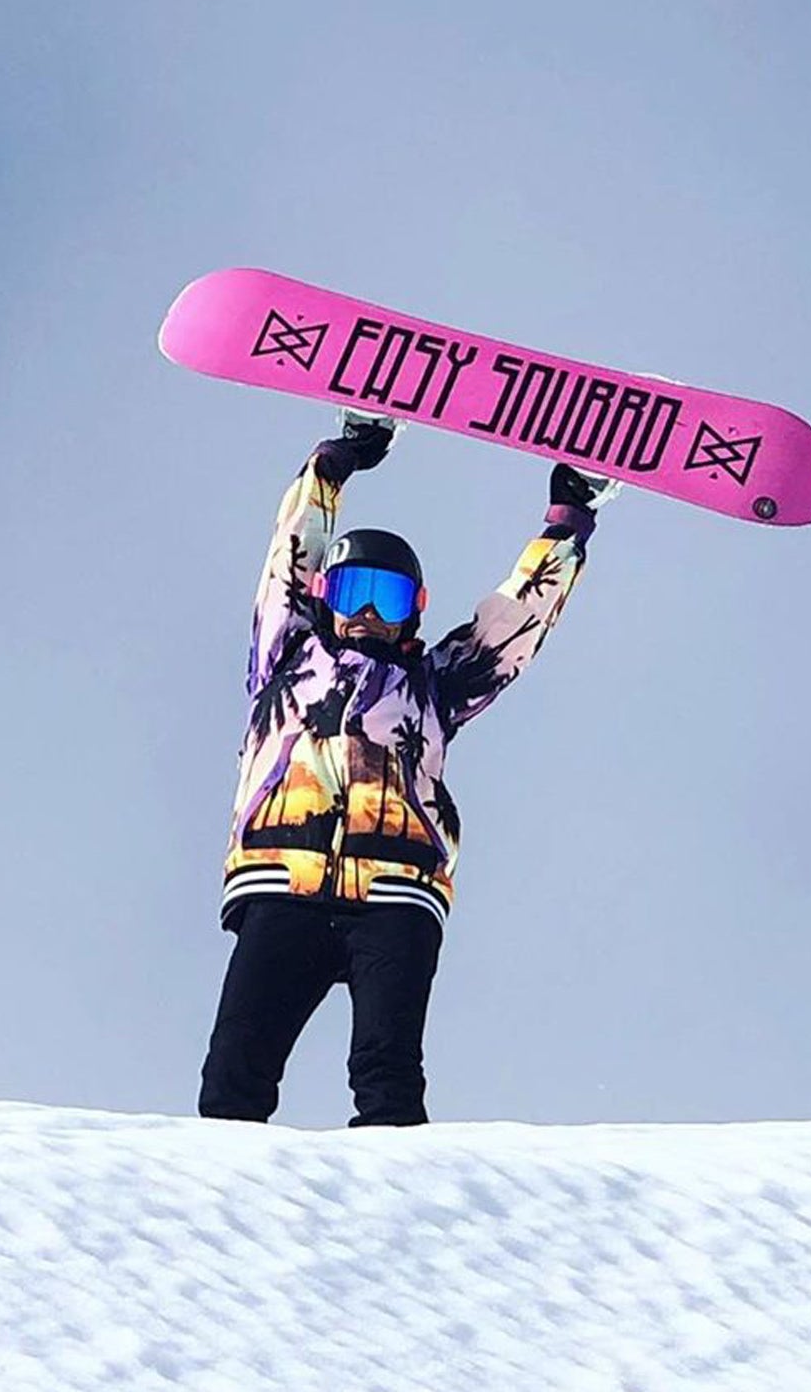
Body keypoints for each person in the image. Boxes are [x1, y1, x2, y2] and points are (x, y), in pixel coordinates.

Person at [198, 410, 618, 1126]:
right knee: (237, 1065)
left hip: (394, 892)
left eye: (385, 600)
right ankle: (223, 1208)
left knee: (387, 1070)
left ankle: (396, 1216)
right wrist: (335, 463)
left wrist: (568, 517)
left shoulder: (434, 683)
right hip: (284, 880)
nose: (365, 614)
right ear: (325, 599)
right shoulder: (287, 655)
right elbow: (287, 558)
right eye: (350, 593)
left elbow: (515, 622)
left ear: (413, 614)